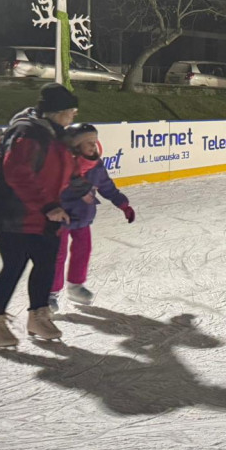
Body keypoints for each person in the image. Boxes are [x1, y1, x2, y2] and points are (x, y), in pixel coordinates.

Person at [0, 83, 78, 346]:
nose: (73, 116)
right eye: (71, 111)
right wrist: (48, 206)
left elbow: (57, 170)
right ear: (58, 112)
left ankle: (38, 316)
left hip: (40, 212)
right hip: (13, 212)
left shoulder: (50, 133)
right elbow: (17, 173)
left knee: (46, 262)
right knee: (14, 266)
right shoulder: (27, 133)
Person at [49, 123, 136, 311]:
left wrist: (122, 203)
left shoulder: (96, 165)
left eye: (94, 141)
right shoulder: (63, 165)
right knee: (58, 256)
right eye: (88, 142)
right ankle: (51, 293)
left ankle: (75, 285)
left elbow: (106, 185)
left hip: (83, 216)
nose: (93, 146)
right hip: (62, 218)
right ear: (75, 146)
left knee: (83, 251)